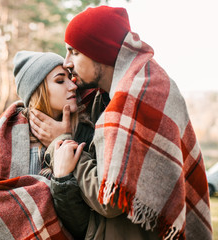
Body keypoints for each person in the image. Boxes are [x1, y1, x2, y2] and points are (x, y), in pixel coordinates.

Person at [29, 6, 213, 240]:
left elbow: (110, 199)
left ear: (98, 51)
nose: (67, 62)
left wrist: (61, 144)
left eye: (74, 52)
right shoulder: (112, 94)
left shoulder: (136, 97)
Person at [0, 50, 94, 239]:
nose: (73, 86)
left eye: (70, 78)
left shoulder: (86, 135)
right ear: (38, 90)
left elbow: (85, 225)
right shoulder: (1, 143)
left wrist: (63, 166)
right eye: (60, 80)